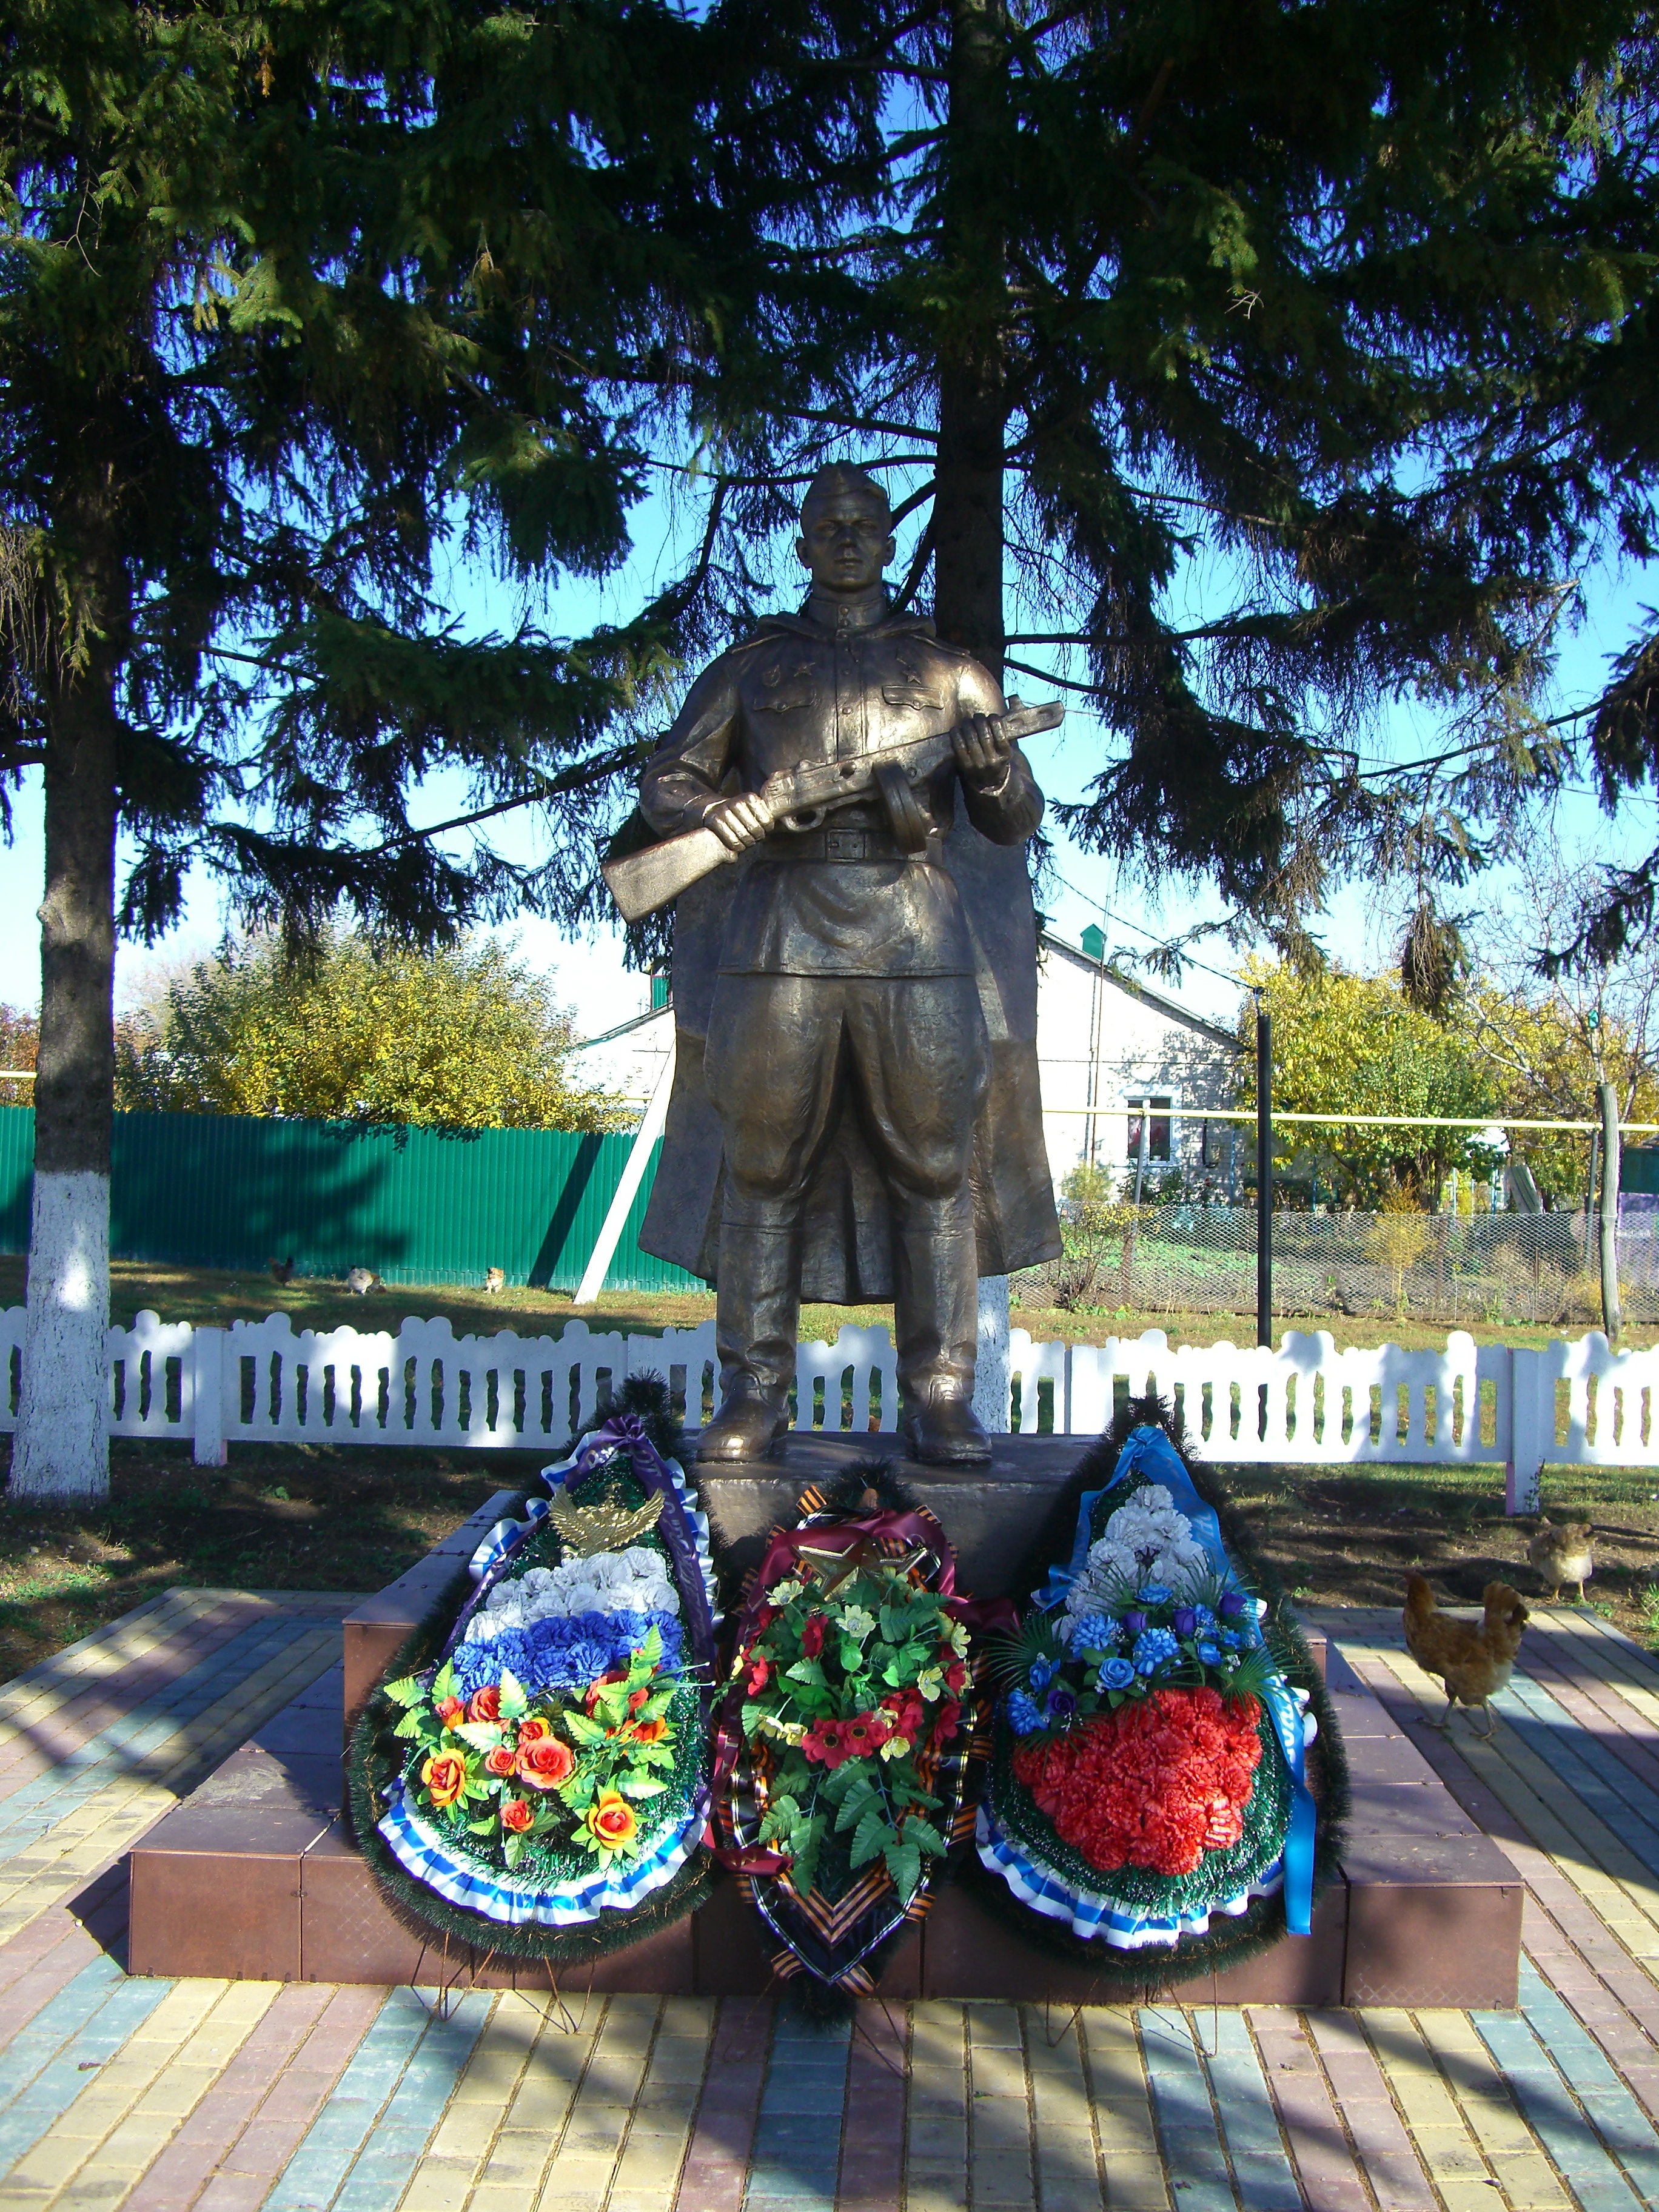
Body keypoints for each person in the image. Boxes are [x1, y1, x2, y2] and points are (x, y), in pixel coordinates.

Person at [636, 461, 1053, 1463]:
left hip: (915, 927)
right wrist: (723, 810)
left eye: (867, 523)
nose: (851, 538)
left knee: (937, 1165)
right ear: (804, 543)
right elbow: (666, 783)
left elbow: (1012, 820)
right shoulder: (751, 668)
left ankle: (941, 1393)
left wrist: (994, 767)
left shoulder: (950, 673)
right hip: (781, 925)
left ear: (890, 541)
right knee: (763, 1164)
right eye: (831, 525)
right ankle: (754, 1393)